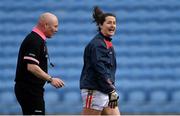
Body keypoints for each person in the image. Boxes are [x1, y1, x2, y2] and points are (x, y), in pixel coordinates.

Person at [14, 12, 65, 115]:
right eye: (55, 26)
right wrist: (50, 79)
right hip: (29, 90)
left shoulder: (37, 39)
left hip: (32, 89)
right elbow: (31, 67)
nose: (56, 30)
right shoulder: (34, 40)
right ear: (46, 25)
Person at [80, 6, 120, 115]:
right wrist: (111, 90)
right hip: (94, 90)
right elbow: (100, 69)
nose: (113, 25)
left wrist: (110, 90)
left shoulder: (106, 43)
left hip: (105, 90)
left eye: (114, 23)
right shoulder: (98, 44)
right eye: (109, 23)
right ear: (100, 25)